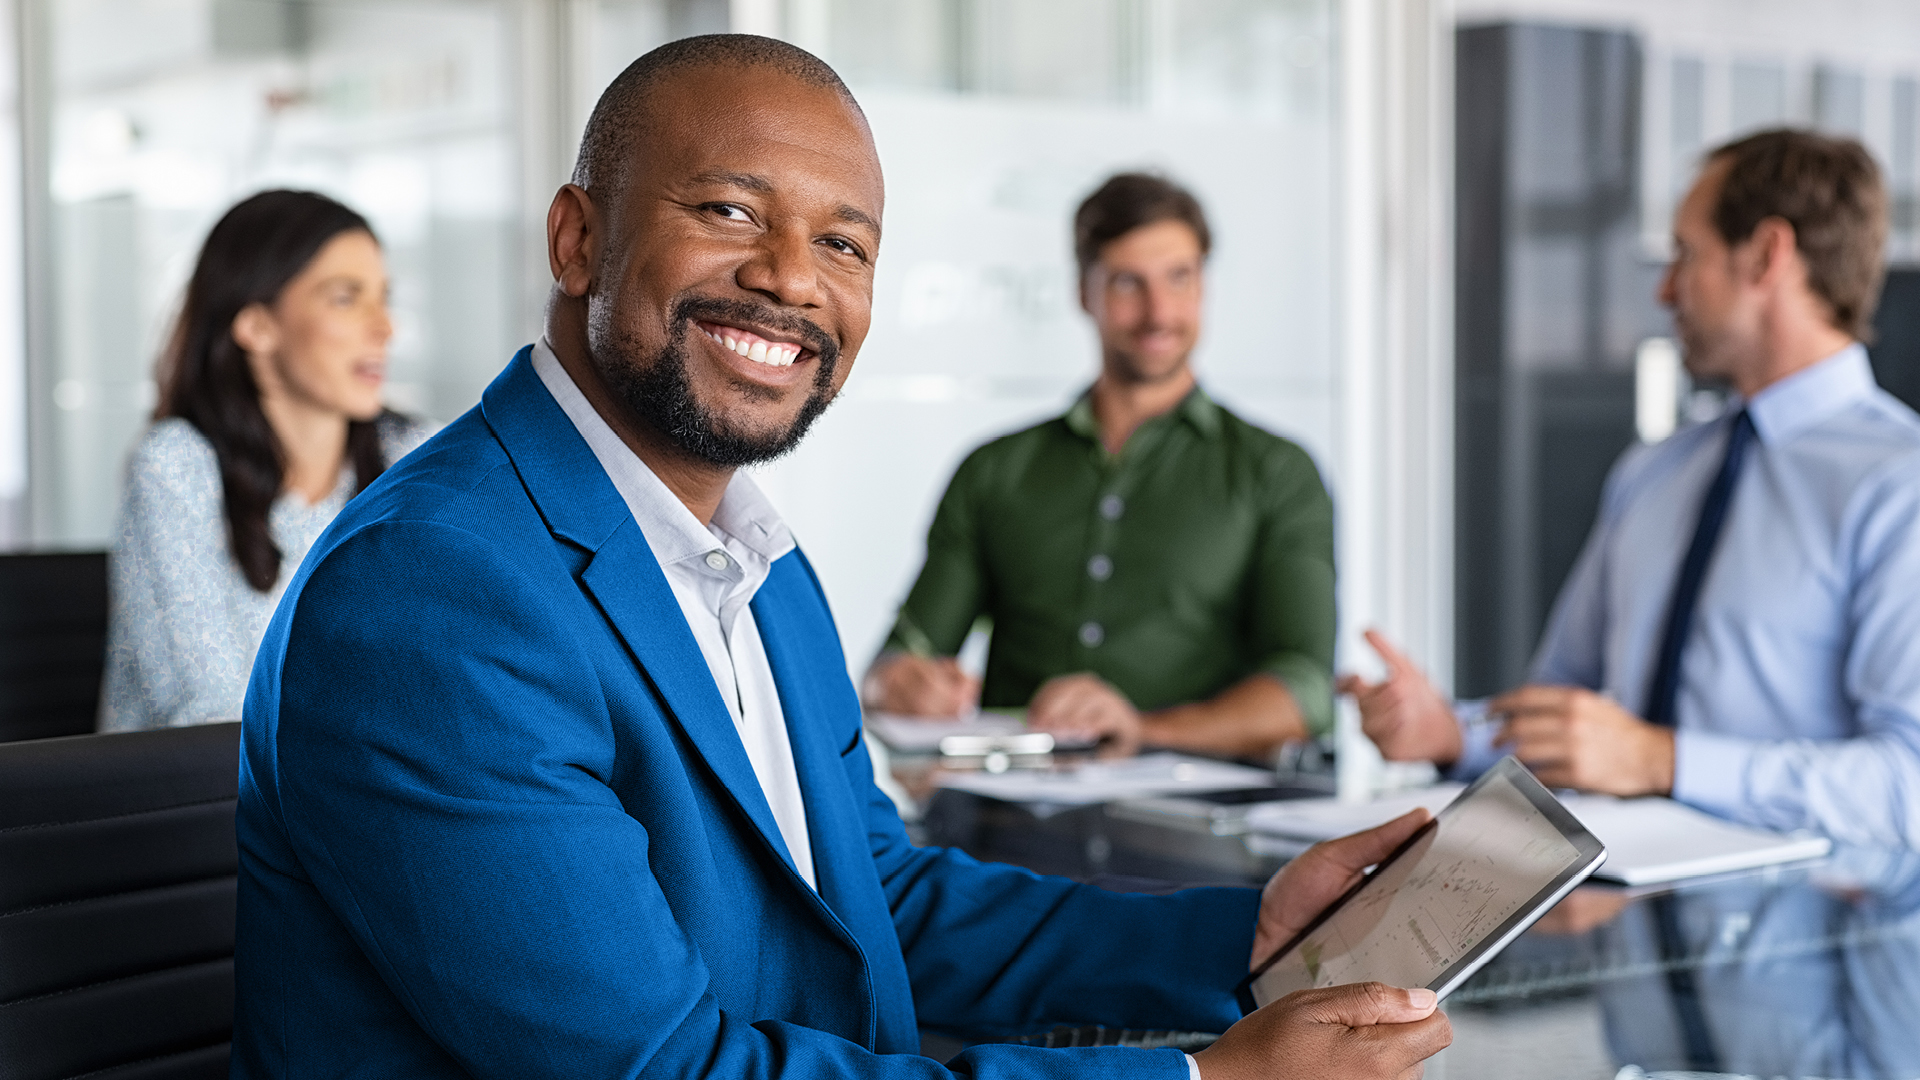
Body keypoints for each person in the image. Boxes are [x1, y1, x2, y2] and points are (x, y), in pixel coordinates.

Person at [233, 35, 1451, 1079]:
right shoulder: (437, 593)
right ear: (577, 239)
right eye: (728, 212)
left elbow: (877, 903)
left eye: (845, 246)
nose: (788, 280)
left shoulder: (754, 563)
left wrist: (1244, 938)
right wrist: (1200, 1076)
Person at [1346, 129, 1920, 849]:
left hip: (1813, 941)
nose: (1664, 289)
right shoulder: (1655, 472)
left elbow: (1908, 787)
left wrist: (1662, 761)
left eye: (1686, 254)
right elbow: (1574, 719)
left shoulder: (1900, 484)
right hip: (1622, 924)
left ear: (1768, 255)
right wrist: (1448, 733)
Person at [863, 174, 1335, 761]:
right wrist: (900, 683)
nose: (1159, 311)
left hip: (1198, 830)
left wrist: (1143, 729)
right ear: (1083, 292)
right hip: (1007, 823)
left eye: (1180, 278)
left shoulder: (1277, 473)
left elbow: (1306, 691)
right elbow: (899, 656)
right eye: (1127, 282)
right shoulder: (993, 471)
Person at [99, 190, 432, 732]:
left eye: (384, 297)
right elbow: (210, 716)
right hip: (198, 806)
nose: (385, 328)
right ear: (256, 326)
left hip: (360, 798)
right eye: (346, 298)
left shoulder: (415, 455)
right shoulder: (176, 468)